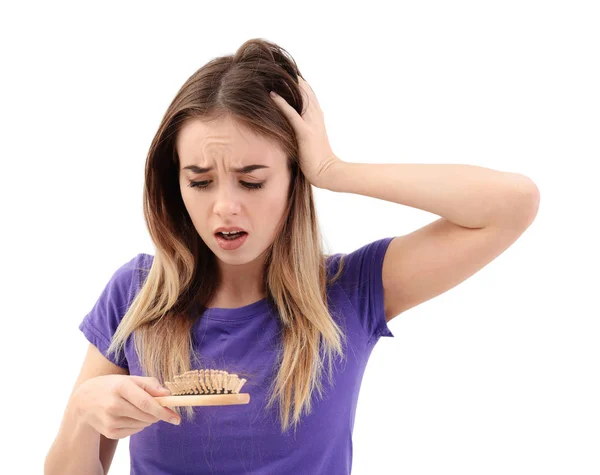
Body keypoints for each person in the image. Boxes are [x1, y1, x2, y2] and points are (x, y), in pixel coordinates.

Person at [44, 38, 539, 475]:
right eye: (199, 180)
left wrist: (332, 168)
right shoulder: (135, 294)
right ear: (174, 185)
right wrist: (86, 413)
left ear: (293, 178)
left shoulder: (350, 291)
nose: (224, 207)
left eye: (252, 180)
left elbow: (512, 205)